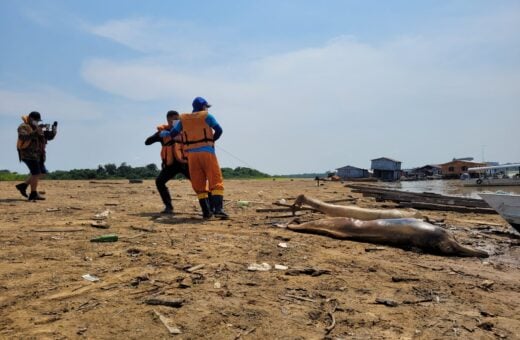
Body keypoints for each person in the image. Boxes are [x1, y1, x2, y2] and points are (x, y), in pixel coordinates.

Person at [160, 97, 228, 219]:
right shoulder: (207, 116)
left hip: (192, 156)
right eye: (206, 106)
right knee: (215, 180)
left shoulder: (183, 119)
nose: (207, 108)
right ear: (203, 107)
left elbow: (173, 134)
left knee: (199, 183)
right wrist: (211, 140)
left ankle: (206, 212)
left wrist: (166, 134)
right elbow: (219, 130)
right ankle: (218, 209)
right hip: (207, 153)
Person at [145, 110, 190, 214]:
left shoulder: (185, 130)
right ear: (168, 120)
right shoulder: (163, 132)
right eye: (174, 120)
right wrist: (159, 135)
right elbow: (147, 142)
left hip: (184, 163)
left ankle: (209, 207)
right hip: (170, 165)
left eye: (178, 120)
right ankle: (168, 207)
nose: (177, 122)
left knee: (198, 182)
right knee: (159, 181)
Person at [15, 111, 57, 201]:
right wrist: (36, 131)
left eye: (38, 121)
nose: (37, 122)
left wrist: (53, 132)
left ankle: (23, 186)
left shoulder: (38, 127)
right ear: (30, 118)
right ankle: (33, 194)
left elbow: (47, 138)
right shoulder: (23, 126)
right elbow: (23, 137)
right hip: (28, 154)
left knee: (42, 172)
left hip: (39, 155)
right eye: (35, 120)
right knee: (36, 173)